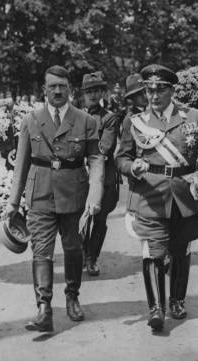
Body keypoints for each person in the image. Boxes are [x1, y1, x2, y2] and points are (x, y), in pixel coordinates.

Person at [116, 64, 198, 332]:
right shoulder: (134, 122)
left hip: (184, 194)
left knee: (180, 249)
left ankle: (177, 299)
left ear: (172, 90)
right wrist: (131, 167)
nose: (154, 95)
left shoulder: (193, 117)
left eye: (160, 89)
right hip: (150, 194)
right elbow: (121, 157)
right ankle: (156, 308)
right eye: (149, 90)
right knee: (153, 251)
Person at [5, 65, 104, 333]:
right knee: (41, 251)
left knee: (73, 249)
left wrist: (95, 196)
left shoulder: (85, 120)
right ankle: (44, 308)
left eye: (62, 86)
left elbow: (95, 160)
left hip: (74, 195)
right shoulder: (31, 120)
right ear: (44, 90)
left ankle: (72, 296)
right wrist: (13, 203)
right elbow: (21, 165)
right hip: (40, 194)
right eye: (52, 86)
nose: (58, 91)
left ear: (70, 90)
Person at [80, 72, 120, 276]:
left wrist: (84, 157)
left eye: (96, 91)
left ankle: (91, 257)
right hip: (79, 176)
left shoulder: (109, 118)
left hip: (103, 176)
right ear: (83, 94)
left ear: (102, 92)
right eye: (89, 91)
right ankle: (80, 253)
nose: (93, 95)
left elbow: (105, 147)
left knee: (99, 218)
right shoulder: (75, 116)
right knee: (76, 217)